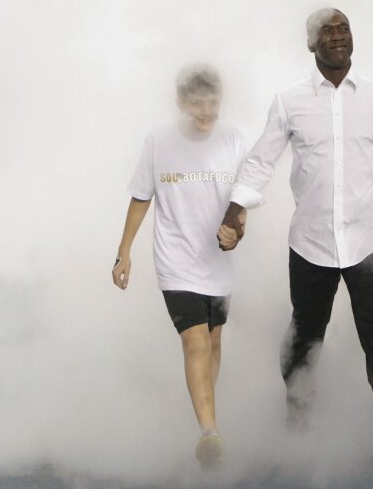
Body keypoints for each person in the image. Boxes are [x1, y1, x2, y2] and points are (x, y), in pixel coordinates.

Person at [217, 8, 373, 476]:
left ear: (352, 38)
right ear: (310, 44)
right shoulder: (289, 101)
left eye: (344, 29)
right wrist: (236, 209)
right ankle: (298, 428)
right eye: (326, 32)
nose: (337, 37)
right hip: (310, 243)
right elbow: (261, 161)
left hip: (370, 241)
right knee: (304, 337)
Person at [112, 65, 249, 469]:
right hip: (175, 261)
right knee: (196, 342)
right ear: (180, 103)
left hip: (219, 264)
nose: (206, 111)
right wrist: (124, 252)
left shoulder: (234, 140)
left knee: (214, 341)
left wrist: (237, 233)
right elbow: (141, 197)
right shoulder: (160, 141)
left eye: (212, 102)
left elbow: (241, 204)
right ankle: (210, 433)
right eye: (196, 103)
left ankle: (205, 412)